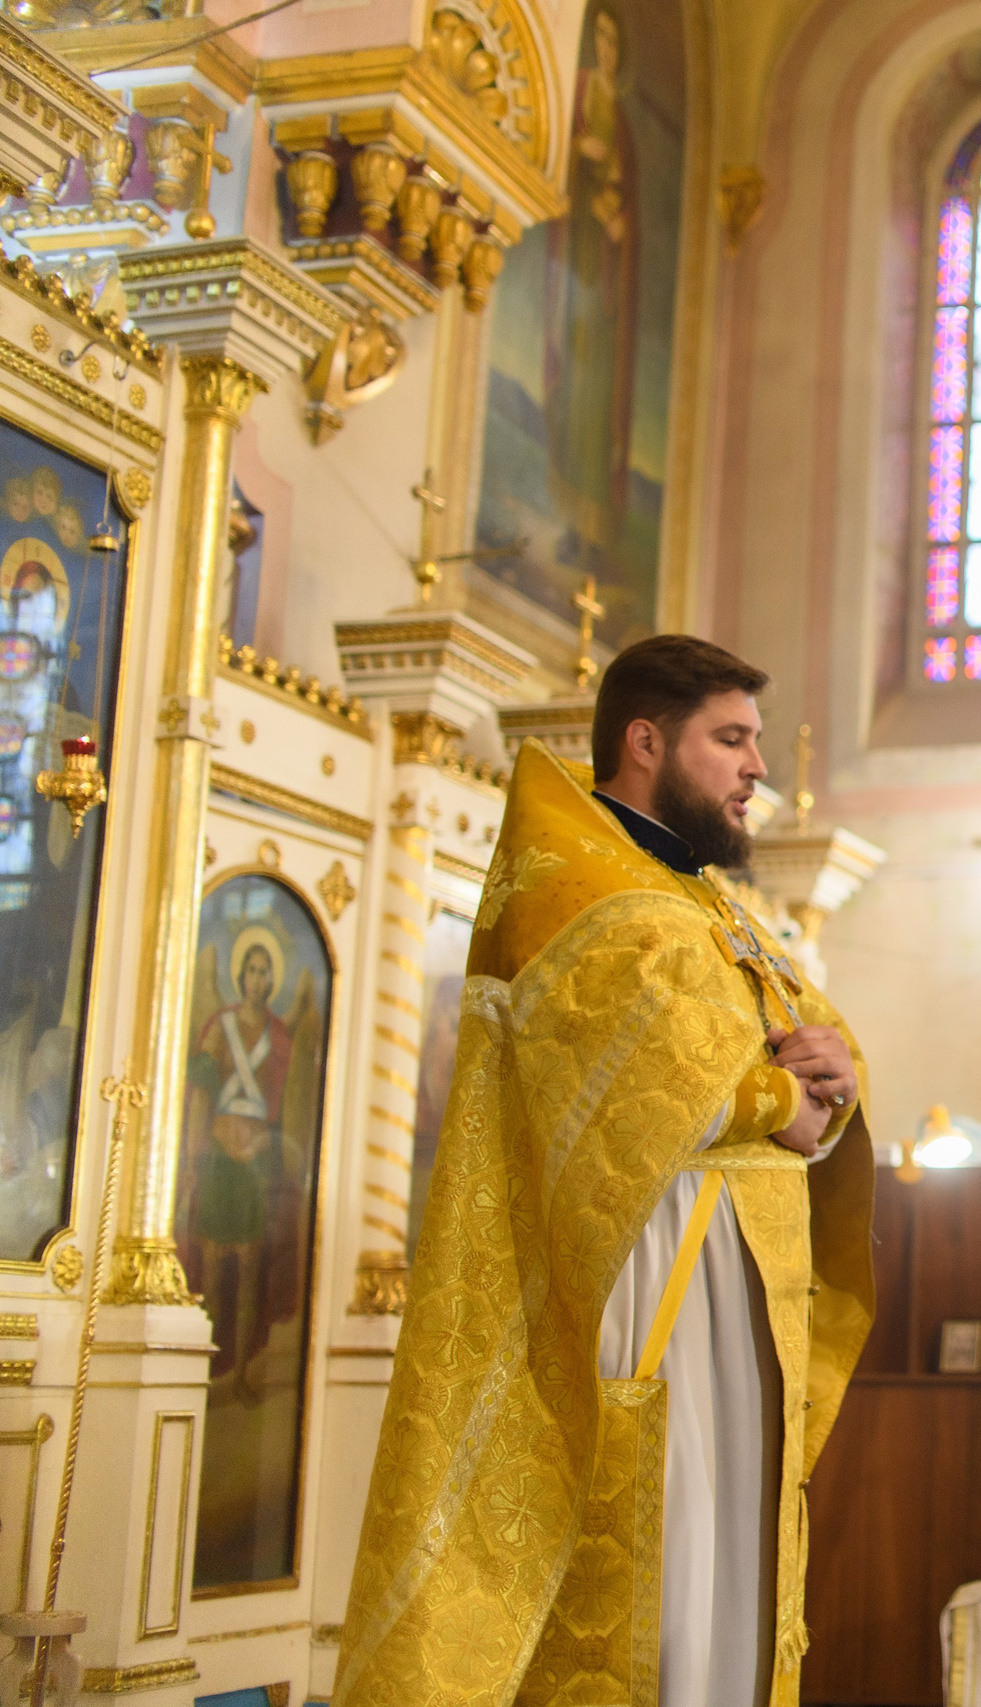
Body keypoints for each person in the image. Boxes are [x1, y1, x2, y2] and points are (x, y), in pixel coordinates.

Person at [335, 636, 879, 1707]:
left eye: (755, 741)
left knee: (729, 1575)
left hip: (744, 1309)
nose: (757, 766)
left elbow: (802, 1046)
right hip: (649, 1297)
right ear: (646, 741)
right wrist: (787, 1101)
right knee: (660, 1583)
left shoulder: (711, 905)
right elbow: (639, 1077)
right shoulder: (575, 885)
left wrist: (836, 1080)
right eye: (731, 739)